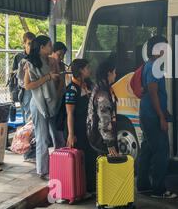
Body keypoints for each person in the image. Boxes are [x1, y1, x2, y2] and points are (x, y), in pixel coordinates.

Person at [137, 35, 178, 199]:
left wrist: (164, 112)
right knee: (161, 151)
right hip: (152, 117)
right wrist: (161, 117)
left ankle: (143, 185)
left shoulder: (150, 65)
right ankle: (158, 189)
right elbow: (153, 93)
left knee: (146, 150)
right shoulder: (154, 67)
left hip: (148, 115)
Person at [24, 35, 65, 180]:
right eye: (49, 45)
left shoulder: (51, 61)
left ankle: (59, 165)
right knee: (42, 137)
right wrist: (47, 78)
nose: (51, 48)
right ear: (41, 48)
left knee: (56, 136)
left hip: (51, 102)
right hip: (38, 103)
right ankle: (43, 171)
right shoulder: (31, 63)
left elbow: (58, 79)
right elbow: (28, 85)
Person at [65, 59, 97, 193]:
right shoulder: (71, 89)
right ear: (80, 71)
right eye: (87, 68)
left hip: (89, 127)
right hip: (78, 128)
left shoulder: (88, 84)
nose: (89, 70)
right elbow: (70, 113)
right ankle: (81, 188)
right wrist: (71, 134)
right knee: (83, 158)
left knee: (91, 156)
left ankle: (92, 186)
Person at [87, 59, 119, 157]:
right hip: (101, 139)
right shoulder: (102, 94)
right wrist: (109, 143)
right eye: (114, 72)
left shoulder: (102, 87)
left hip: (99, 136)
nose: (115, 75)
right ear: (109, 73)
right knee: (105, 167)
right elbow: (104, 119)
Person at [13, 32, 37, 162]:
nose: (31, 46)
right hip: (26, 92)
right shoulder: (20, 58)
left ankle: (32, 152)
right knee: (28, 122)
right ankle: (28, 153)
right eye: (29, 43)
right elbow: (19, 79)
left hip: (35, 91)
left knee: (34, 122)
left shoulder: (36, 56)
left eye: (33, 43)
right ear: (24, 43)